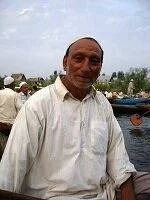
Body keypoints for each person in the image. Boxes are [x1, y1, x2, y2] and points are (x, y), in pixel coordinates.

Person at [0, 37, 136, 200]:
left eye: (94, 61)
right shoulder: (38, 105)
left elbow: (118, 158)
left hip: (104, 194)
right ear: (65, 62)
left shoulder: (102, 103)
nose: (86, 68)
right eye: (79, 59)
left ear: (100, 67)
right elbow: (12, 169)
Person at [0, 77, 22, 159]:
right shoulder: (14, 94)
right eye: (14, 83)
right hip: (10, 126)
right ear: (11, 84)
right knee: (10, 150)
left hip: (0, 126)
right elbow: (21, 108)